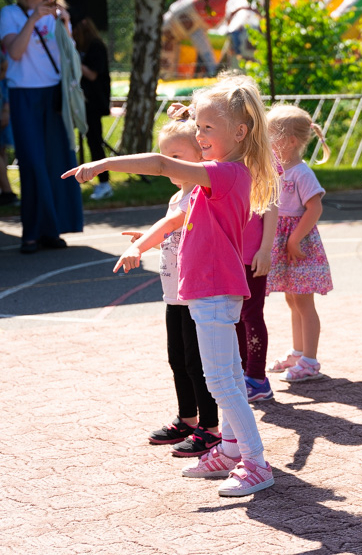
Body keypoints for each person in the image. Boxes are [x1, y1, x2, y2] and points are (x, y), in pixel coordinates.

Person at [63, 74, 280, 497]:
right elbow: (180, 218)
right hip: (208, 289)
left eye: (207, 128)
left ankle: (255, 462)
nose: (199, 135)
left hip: (217, 289)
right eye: (197, 127)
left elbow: (163, 165)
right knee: (228, 375)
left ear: (240, 131)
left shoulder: (228, 173)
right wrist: (146, 241)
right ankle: (233, 450)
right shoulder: (216, 178)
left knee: (220, 381)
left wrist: (104, 163)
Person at [113, 107, 221, 458]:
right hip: (173, 295)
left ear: (200, 156)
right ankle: (187, 418)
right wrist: (152, 238)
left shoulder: (201, 193)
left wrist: (141, 244)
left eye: (176, 157)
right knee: (178, 359)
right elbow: (178, 235)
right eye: (166, 158)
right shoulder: (178, 196)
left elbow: (178, 224)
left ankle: (211, 427)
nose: (169, 165)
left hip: (195, 296)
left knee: (197, 363)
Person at [1, 0, 82, 253]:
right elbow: (14, 52)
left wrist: (65, 22)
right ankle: (31, 233)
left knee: (58, 163)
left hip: (55, 95)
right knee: (33, 164)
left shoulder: (58, 13)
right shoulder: (9, 14)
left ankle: (53, 229)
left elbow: (69, 57)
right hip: (24, 95)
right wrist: (34, 16)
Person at [265, 105, 333, 382]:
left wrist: (294, 239)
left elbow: (314, 208)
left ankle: (310, 361)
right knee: (293, 300)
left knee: (304, 303)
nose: (266, 142)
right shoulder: (276, 167)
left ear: (291, 141)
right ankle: (298, 352)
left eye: (271, 136)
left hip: (300, 246)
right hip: (284, 243)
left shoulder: (302, 173)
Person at [238, 202, 278, 401]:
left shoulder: (261, 170)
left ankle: (256, 378)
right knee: (234, 315)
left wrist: (265, 250)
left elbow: (271, 207)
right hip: (229, 255)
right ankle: (242, 373)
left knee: (251, 315)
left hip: (252, 256)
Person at [73, 17, 112, 200]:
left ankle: (104, 182)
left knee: (95, 142)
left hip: (94, 102)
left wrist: (73, 61)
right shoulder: (83, 47)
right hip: (82, 102)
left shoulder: (95, 46)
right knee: (87, 141)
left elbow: (92, 74)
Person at [0, 54, 18, 206]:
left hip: (3, 103)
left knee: (1, 150)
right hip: (4, 104)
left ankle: (7, 191)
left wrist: (5, 109)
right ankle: (5, 191)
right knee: (1, 151)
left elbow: (5, 74)